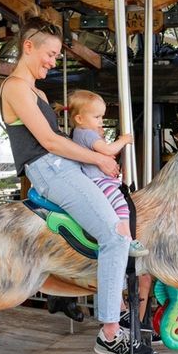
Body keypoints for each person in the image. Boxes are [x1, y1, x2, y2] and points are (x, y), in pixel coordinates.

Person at [0, 8, 154, 354]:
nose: (53, 62)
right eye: (50, 54)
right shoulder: (15, 87)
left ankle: (117, 306)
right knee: (115, 237)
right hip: (50, 168)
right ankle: (109, 333)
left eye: (56, 55)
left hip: (65, 167)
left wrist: (98, 162)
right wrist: (98, 158)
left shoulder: (34, 91)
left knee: (119, 227)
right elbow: (49, 142)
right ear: (28, 47)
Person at [67, 90, 149, 257]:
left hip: (99, 179)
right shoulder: (86, 133)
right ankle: (126, 239)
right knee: (121, 205)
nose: (101, 122)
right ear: (80, 119)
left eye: (101, 117)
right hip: (98, 181)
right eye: (97, 117)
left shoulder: (80, 133)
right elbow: (108, 149)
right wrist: (124, 140)